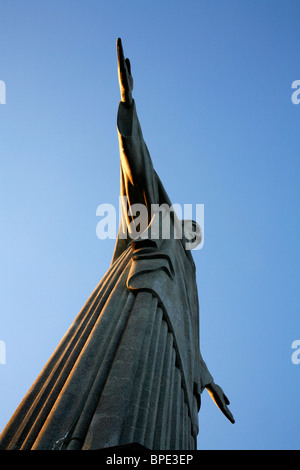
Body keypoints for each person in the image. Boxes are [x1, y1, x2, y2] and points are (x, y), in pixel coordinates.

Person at [0, 38, 233, 451]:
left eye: (197, 232)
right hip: (139, 298)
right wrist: (129, 110)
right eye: (192, 225)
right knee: (119, 402)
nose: (194, 232)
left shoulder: (191, 275)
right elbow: (138, 165)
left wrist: (205, 378)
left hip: (175, 351)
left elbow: (192, 335)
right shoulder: (159, 214)